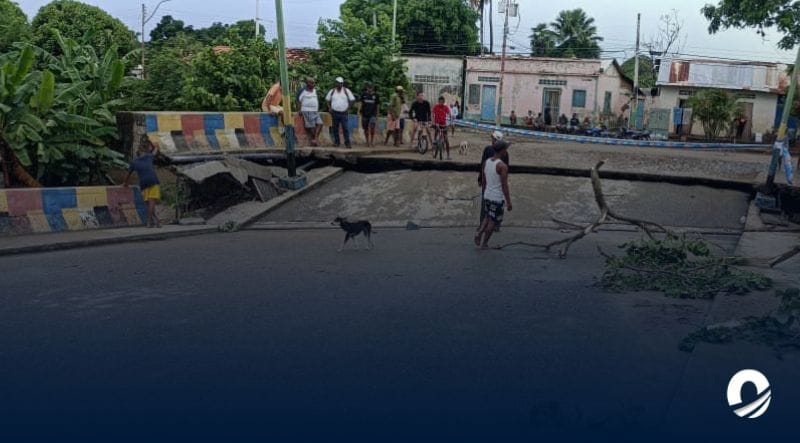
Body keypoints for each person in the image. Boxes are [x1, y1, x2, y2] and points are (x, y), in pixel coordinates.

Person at [475, 140, 512, 250]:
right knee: (493, 221)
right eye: (506, 149)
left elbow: (484, 180)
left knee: (487, 216)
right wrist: (509, 202)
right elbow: (504, 186)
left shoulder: (487, 162)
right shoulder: (502, 166)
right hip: (497, 198)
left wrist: (485, 192)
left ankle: (479, 233)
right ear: (502, 151)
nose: (506, 151)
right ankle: (485, 244)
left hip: (487, 195)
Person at [124, 140, 161, 228]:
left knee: (148, 204)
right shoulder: (149, 156)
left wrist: (125, 183)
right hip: (153, 181)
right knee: (152, 203)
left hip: (143, 183)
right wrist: (156, 145)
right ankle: (150, 221)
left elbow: (128, 174)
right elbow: (155, 151)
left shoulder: (134, 162)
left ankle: (156, 221)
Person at [478, 130, 510, 228]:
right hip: (497, 185)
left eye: (493, 138)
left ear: (495, 140)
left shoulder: (487, 149)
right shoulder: (505, 154)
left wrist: (480, 179)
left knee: (485, 205)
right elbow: (505, 172)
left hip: (487, 183)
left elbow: (482, 165)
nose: (491, 139)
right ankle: (495, 225)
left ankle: (482, 225)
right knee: (498, 206)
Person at [326, 76, 356, 149]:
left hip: (344, 113)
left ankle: (347, 143)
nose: (339, 84)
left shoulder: (346, 91)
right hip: (334, 112)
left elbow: (352, 100)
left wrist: (348, 108)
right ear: (336, 83)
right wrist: (329, 108)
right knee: (335, 128)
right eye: (338, 83)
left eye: (341, 83)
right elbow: (327, 100)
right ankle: (337, 142)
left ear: (342, 84)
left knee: (345, 128)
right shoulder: (332, 91)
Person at [297, 77, 322, 147]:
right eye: (312, 83)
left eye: (314, 83)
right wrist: (299, 110)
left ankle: (315, 138)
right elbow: (298, 101)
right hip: (307, 111)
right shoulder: (303, 91)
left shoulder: (315, 90)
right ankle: (314, 140)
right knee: (311, 127)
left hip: (315, 111)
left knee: (320, 123)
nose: (313, 84)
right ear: (307, 83)